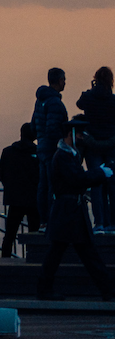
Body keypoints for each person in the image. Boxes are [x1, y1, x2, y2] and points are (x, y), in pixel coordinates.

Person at [36, 115, 115, 301]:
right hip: (68, 211)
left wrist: (97, 174)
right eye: (80, 134)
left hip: (68, 211)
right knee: (81, 253)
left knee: (65, 253)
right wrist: (99, 173)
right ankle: (107, 290)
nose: (82, 137)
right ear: (71, 134)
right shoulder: (64, 157)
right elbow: (77, 179)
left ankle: (107, 290)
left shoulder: (67, 155)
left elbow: (77, 180)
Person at [76, 67, 115, 232]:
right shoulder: (113, 100)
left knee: (96, 184)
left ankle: (99, 223)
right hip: (111, 145)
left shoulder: (88, 97)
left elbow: (79, 104)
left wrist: (91, 90)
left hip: (92, 145)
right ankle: (112, 223)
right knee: (113, 185)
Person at [0, 123, 40, 257]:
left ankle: (5, 259)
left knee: (10, 233)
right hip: (33, 198)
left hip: (14, 198)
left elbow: (1, 173)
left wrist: (10, 187)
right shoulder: (38, 152)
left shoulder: (8, 151)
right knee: (34, 232)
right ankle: (33, 257)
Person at [35, 68, 69, 222]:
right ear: (59, 80)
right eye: (64, 79)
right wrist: (61, 142)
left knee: (43, 187)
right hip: (51, 150)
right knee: (53, 185)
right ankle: (53, 219)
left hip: (41, 148)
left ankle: (44, 220)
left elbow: (33, 126)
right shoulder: (55, 102)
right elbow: (53, 128)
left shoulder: (40, 101)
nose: (65, 83)